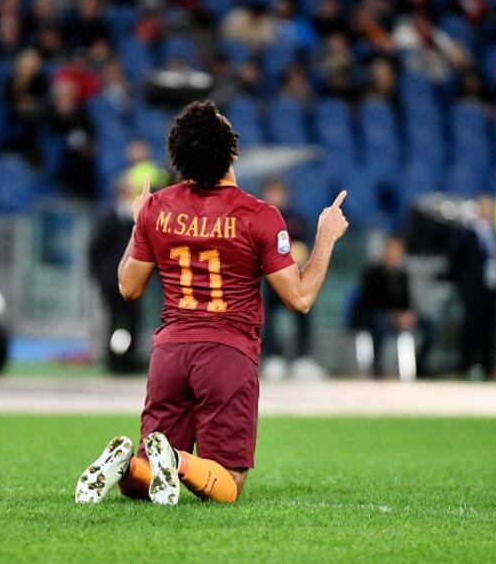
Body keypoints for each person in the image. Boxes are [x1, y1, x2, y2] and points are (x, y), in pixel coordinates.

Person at [75, 101, 348, 505]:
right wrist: (326, 236)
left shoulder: (156, 208)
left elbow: (128, 287)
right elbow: (300, 298)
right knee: (229, 483)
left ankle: (127, 467)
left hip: (169, 353)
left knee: (146, 479)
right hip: (227, 353)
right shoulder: (260, 216)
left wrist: (139, 224)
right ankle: (179, 461)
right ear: (232, 151)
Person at [260, 178, 324, 380]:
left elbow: (304, 248)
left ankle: (303, 359)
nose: (275, 197)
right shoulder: (260, 217)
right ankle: (273, 358)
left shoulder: (296, 219)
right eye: (271, 192)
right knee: (268, 317)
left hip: (294, 277)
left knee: (304, 313)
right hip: (271, 279)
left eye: (278, 192)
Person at [350, 235, 433, 378]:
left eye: (398, 250)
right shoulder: (372, 272)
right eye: (391, 249)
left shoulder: (402, 274)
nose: (394, 254)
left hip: (398, 317)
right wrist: (393, 316)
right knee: (379, 323)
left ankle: (421, 366)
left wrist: (409, 315)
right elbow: (369, 303)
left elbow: (407, 301)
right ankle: (377, 369)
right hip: (374, 316)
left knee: (430, 324)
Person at [88, 179, 142, 373]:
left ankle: (130, 358)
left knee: (133, 319)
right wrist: (99, 276)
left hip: (134, 278)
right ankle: (114, 360)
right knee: (114, 320)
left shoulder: (134, 219)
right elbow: (96, 250)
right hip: (111, 281)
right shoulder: (109, 218)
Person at [448, 195, 496, 379]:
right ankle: (469, 365)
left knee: (489, 327)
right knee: (471, 327)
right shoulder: (468, 233)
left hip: (491, 288)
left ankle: (488, 367)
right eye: (486, 207)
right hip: (472, 288)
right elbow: (456, 259)